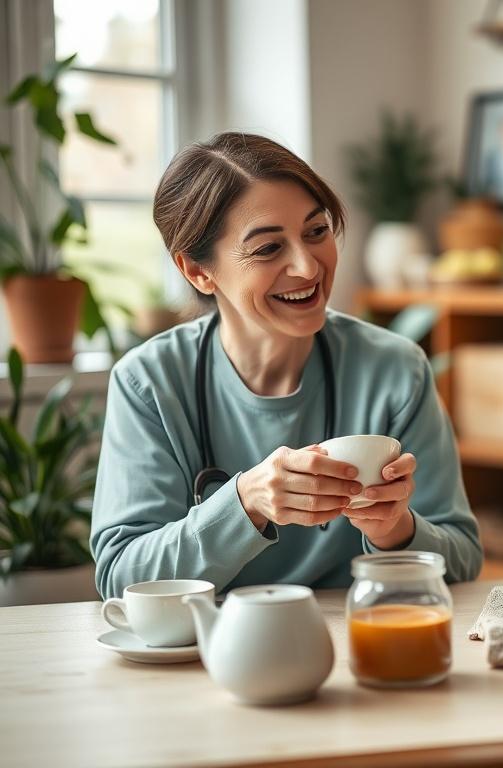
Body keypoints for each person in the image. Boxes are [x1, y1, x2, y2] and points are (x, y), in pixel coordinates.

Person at [91, 133, 482, 600]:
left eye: (316, 232)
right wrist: (244, 504)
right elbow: (120, 578)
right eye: (268, 249)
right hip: (207, 656)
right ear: (197, 271)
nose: (307, 267)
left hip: (356, 644)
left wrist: (395, 529)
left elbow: (462, 557)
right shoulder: (149, 383)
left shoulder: (396, 370)